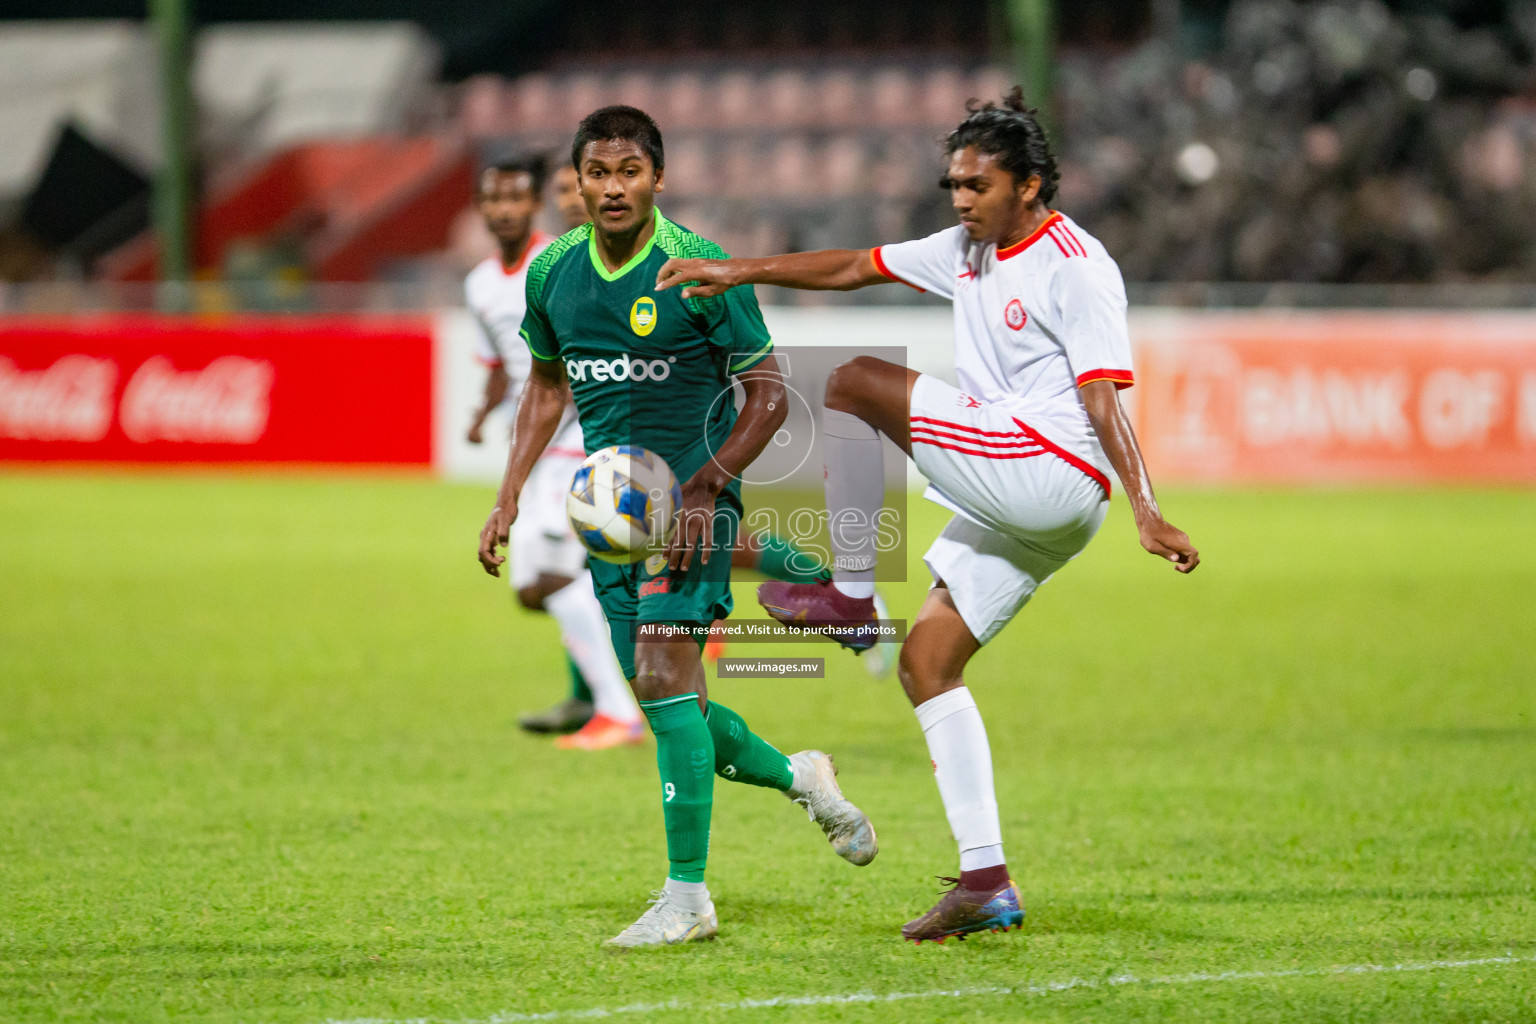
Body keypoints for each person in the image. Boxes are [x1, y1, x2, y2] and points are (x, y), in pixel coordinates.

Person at [656, 89, 1200, 943]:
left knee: (852, 381)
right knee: (928, 661)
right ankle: (986, 880)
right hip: (1033, 497)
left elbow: (1103, 398)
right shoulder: (966, 249)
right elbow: (851, 265)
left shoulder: (1077, 265)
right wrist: (742, 270)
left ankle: (849, 591)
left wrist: (1149, 509)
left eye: (976, 185)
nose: (959, 199)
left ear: (1029, 185)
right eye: (953, 183)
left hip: (1048, 467)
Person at [478, 106, 878, 947]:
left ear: (658, 178)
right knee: (679, 709)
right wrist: (510, 495)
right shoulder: (552, 272)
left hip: (693, 511)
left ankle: (687, 899)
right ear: (579, 183)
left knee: (660, 683)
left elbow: (768, 391)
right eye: (598, 174)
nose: (613, 188)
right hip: (610, 517)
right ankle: (801, 774)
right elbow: (546, 387)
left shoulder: (697, 269)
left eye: (629, 172)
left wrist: (706, 486)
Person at [464, 157, 645, 751]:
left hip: (575, 442)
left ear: (533, 204)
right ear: (482, 207)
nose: (505, 211)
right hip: (538, 448)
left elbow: (566, 368)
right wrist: (481, 414)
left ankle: (619, 710)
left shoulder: (562, 263)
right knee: (536, 589)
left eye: (516, 199)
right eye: (494, 200)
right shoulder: (480, 284)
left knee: (554, 578)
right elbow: (503, 366)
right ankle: (644, 644)